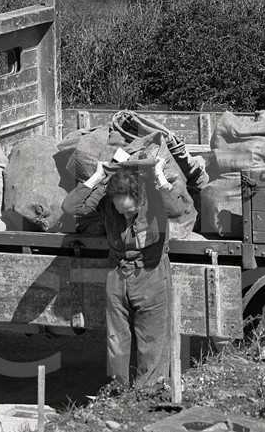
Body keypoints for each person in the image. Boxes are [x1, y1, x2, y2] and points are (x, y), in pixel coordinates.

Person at [69, 147, 193, 396]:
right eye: (120, 210)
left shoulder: (155, 197)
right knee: (116, 340)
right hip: (117, 273)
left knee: (152, 341)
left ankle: (149, 394)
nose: (124, 214)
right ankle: (119, 391)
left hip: (151, 273)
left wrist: (158, 175)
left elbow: (177, 210)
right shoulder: (107, 201)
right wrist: (97, 177)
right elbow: (72, 207)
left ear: (140, 197)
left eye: (130, 210)